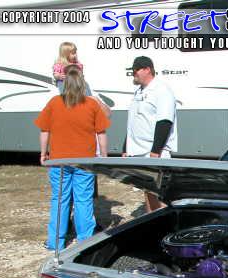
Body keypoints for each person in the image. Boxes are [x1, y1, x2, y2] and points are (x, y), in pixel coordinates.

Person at [35, 68, 110, 250]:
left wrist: (43, 153)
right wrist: (104, 156)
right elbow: (101, 133)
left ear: (65, 84)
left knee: (60, 200)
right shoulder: (91, 104)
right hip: (85, 162)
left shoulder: (54, 103)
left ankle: (56, 242)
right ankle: (85, 242)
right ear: (82, 83)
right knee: (83, 200)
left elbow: (45, 130)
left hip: (59, 161)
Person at [123, 56, 177, 212]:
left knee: (160, 195)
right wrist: (126, 147)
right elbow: (133, 122)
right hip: (139, 151)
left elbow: (164, 121)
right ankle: (151, 220)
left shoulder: (162, 90)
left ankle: (165, 222)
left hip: (154, 152)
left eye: (136, 70)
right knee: (147, 191)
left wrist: (155, 150)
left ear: (147, 69)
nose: (133, 74)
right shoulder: (139, 92)